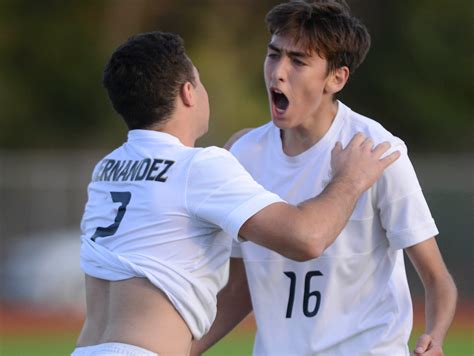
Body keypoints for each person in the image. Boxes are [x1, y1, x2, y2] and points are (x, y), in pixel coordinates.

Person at [71, 31, 398, 356]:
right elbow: (307, 238)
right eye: (200, 83)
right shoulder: (199, 166)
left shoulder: (107, 169)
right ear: (188, 93)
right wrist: (351, 178)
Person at [191, 1, 457, 356]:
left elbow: (437, 279)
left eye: (298, 61)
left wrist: (434, 338)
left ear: (337, 78)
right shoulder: (243, 154)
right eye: (273, 55)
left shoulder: (380, 153)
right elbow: (239, 288)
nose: (278, 72)